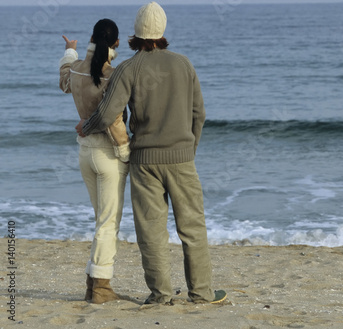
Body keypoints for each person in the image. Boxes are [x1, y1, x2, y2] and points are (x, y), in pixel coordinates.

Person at [76, 2, 226, 305]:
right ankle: (202, 293)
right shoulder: (184, 64)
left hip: (145, 162)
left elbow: (107, 115)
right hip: (182, 159)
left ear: (136, 34)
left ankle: (160, 295)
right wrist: (189, 149)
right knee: (193, 228)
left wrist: (86, 125)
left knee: (151, 232)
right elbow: (199, 114)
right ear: (163, 31)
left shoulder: (129, 68)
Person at [59, 19, 130, 304]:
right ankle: (101, 287)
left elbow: (64, 78)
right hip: (108, 154)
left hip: (85, 153)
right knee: (108, 223)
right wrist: (125, 152)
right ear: (116, 44)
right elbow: (113, 119)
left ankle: (92, 284)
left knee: (101, 220)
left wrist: (69, 50)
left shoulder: (76, 68)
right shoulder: (113, 74)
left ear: (91, 37)